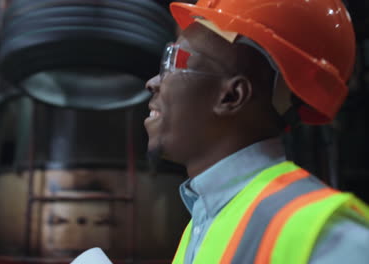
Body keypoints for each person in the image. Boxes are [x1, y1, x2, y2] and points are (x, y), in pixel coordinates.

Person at [143, 0, 369, 263]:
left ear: (231, 96)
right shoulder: (205, 222)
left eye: (172, 62)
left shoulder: (323, 234)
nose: (152, 83)